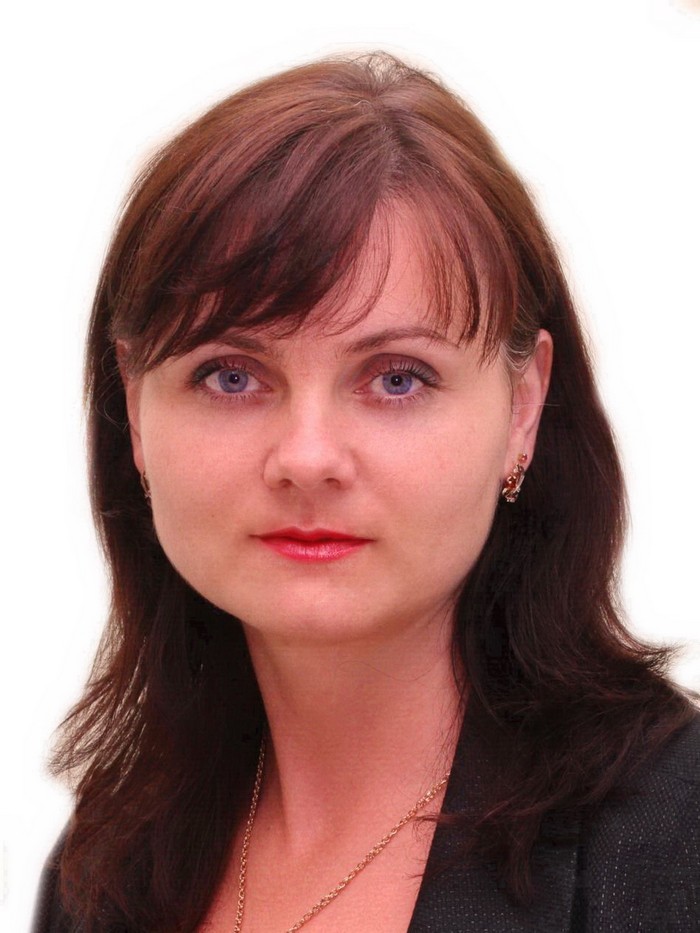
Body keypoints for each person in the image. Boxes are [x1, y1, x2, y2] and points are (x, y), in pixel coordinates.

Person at [33, 52, 700, 933]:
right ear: (133, 407)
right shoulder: (102, 867)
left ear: (522, 408)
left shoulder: (674, 839)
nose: (308, 459)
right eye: (231, 375)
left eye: (396, 378)